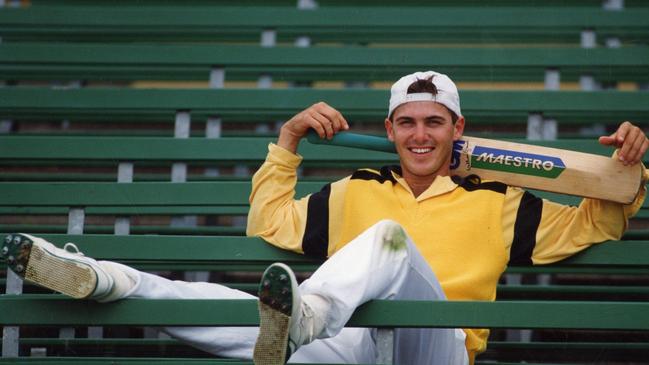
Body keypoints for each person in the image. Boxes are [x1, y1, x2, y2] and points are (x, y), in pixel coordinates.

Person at [2, 71, 647, 365]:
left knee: (389, 243)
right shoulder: (353, 188)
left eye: (434, 123)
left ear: (457, 129)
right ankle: (109, 279)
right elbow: (270, 223)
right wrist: (286, 140)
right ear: (389, 129)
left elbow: (597, 219)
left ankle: (301, 318)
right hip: (348, 344)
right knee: (224, 310)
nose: (420, 135)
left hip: (437, 352)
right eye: (407, 123)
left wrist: (630, 167)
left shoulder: (501, 200)